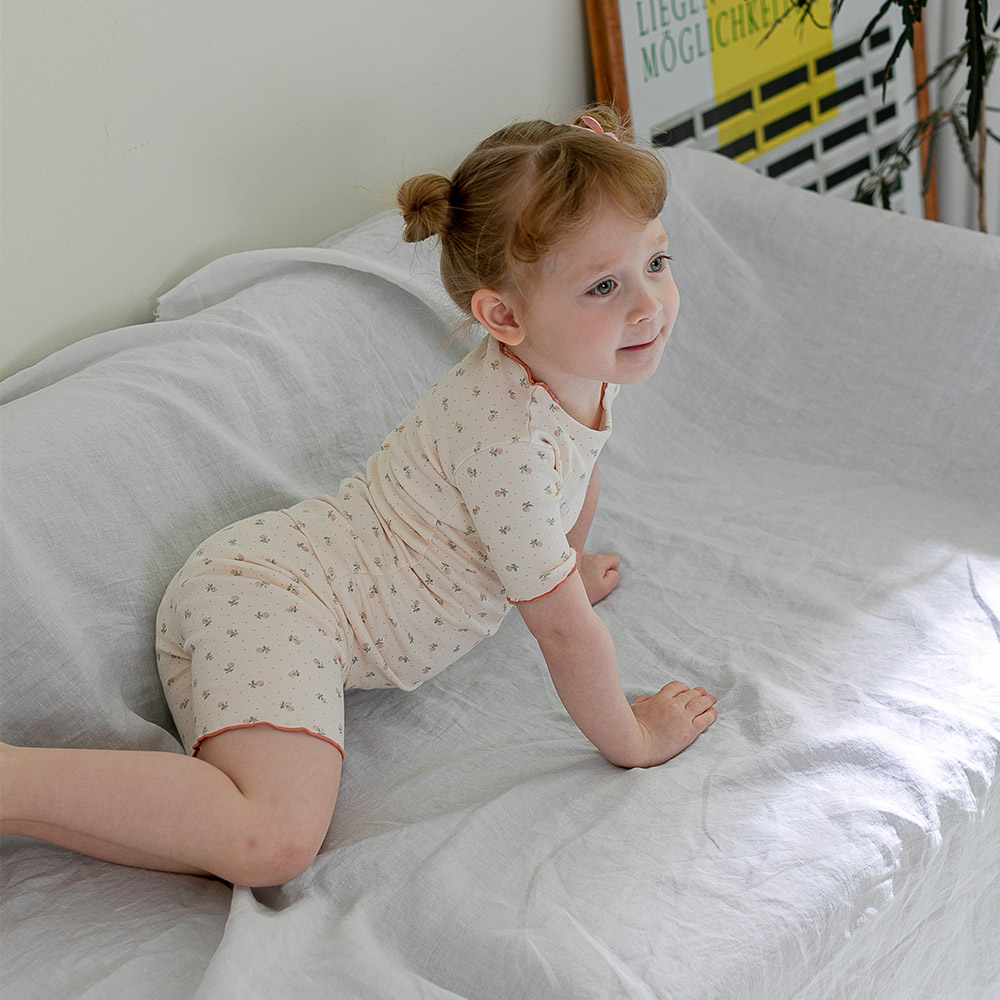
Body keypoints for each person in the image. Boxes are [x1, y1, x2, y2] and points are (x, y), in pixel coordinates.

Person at [0, 107, 717, 887]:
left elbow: (577, 472)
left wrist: (564, 565)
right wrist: (633, 738)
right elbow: (567, 637)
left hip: (286, 595)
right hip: (278, 599)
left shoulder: (575, 368)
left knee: (229, 846)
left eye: (656, 262)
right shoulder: (507, 444)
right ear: (504, 316)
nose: (648, 305)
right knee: (273, 843)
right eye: (605, 286)